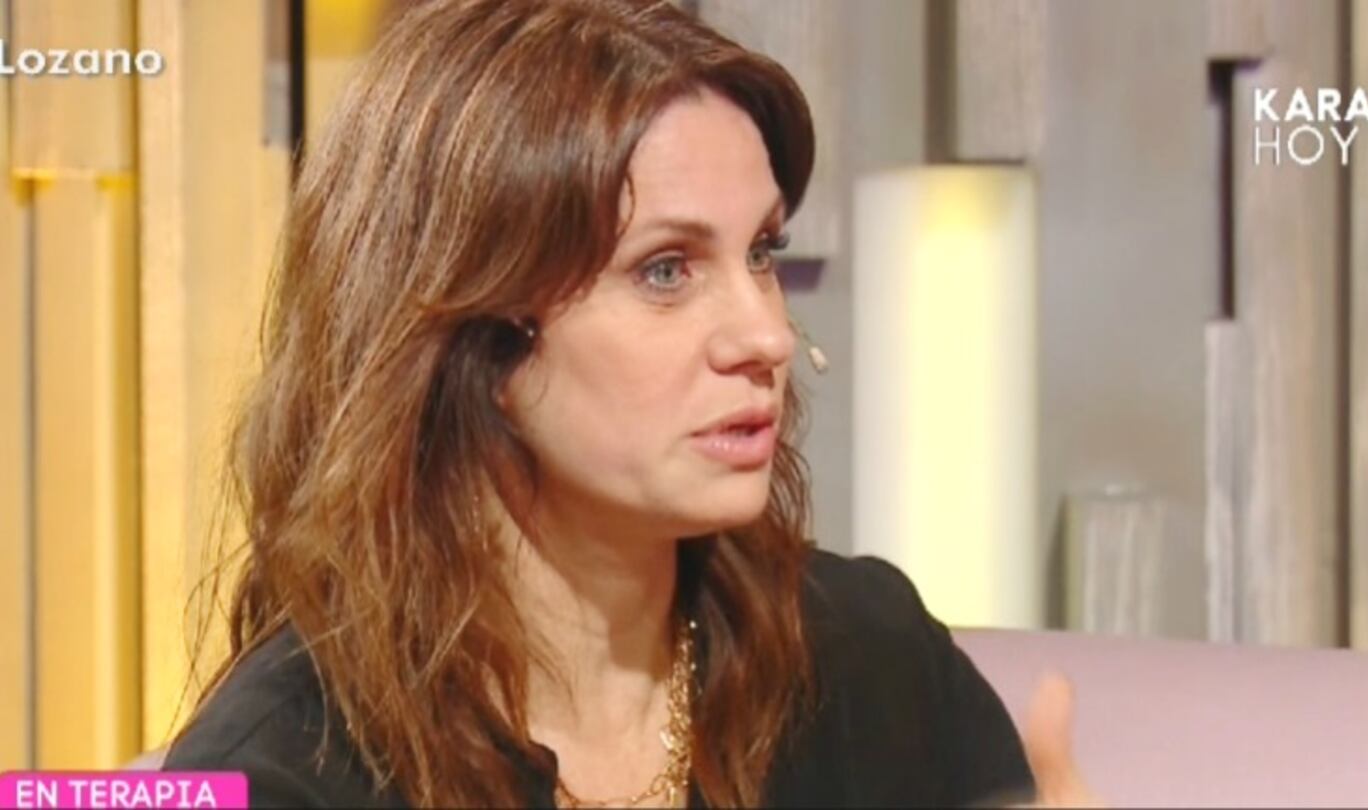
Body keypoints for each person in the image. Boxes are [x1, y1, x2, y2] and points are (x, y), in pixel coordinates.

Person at [162, 0, 1094, 806]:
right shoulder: (276, 771)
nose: (766, 336)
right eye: (666, 270)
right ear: (473, 336)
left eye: (761, 253)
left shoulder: (869, 659)